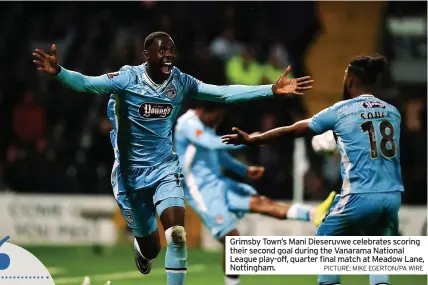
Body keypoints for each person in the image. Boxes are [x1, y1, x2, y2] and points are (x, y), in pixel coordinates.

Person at [32, 31, 314, 285]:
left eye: (172, 50)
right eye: (162, 50)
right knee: (152, 246)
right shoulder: (128, 78)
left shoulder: (180, 81)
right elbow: (87, 84)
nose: (168, 55)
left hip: (165, 169)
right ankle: (143, 248)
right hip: (130, 177)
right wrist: (59, 72)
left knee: (177, 234)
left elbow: (223, 93)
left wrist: (271, 90)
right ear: (147, 55)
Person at [222, 54, 403, 285]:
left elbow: (293, 130)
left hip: (360, 195)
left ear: (350, 81)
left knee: (325, 242)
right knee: (378, 258)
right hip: (392, 196)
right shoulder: (393, 112)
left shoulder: (341, 110)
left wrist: (254, 140)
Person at [174, 100, 335, 285]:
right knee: (232, 239)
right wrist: (247, 140)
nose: (219, 120)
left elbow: (219, 156)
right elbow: (212, 144)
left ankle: (314, 214)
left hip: (220, 184)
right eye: (217, 116)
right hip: (200, 191)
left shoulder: (205, 125)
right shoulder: (187, 124)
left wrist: (244, 170)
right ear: (204, 111)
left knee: (260, 202)